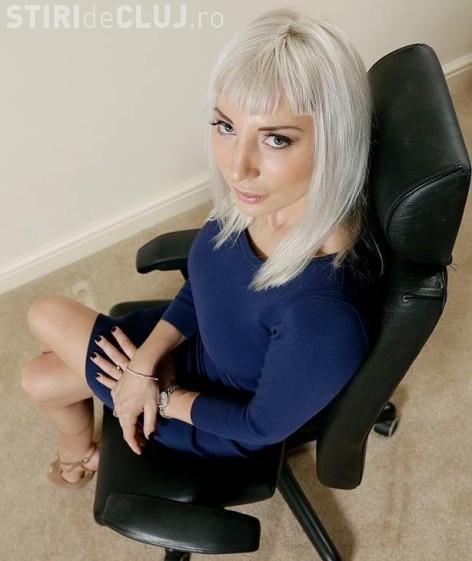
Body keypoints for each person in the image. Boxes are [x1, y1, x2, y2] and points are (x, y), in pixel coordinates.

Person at [21, 7, 383, 488]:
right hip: (194, 343)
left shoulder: (323, 315)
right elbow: (204, 286)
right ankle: (84, 452)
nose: (237, 167)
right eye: (226, 126)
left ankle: (78, 456)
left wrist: (161, 394)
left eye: (277, 139)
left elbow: (259, 428)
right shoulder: (261, 202)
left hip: (210, 412)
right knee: (42, 368)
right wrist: (145, 364)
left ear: (336, 141)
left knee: (44, 340)